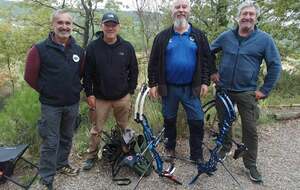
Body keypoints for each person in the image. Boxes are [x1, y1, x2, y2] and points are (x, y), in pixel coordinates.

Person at [210, 1, 282, 183]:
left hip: (247, 92)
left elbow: (275, 65)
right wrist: (212, 71)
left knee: (250, 129)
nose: (247, 17)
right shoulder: (226, 36)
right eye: (244, 14)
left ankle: (250, 164)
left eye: (251, 14)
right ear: (238, 17)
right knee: (224, 122)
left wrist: (265, 89)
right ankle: (225, 147)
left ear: (256, 18)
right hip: (224, 89)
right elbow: (208, 51)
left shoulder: (264, 39)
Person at [24, 9, 84, 190]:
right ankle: (47, 177)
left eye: (68, 23)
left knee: (66, 137)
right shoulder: (39, 49)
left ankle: (62, 164)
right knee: (50, 141)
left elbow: (80, 74)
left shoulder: (78, 50)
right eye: (60, 23)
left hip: (72, 104)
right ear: (53, 25)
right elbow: (30, 77)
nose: (64, 27)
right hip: (50, 106)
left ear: (72, 26)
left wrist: (73, 90)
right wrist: (47, 90)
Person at [148, 0, 212, 164]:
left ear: (189, 10)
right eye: (177, 7)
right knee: (169, 119)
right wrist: (152, 84)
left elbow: (207, 60)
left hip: (192, 88)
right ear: (172, 11)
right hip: (168, 88)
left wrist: (205, 82)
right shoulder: (162, 37)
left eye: (184, 7)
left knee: (197, 121)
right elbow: (153, 62)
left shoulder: (198, 35)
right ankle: (170, 147)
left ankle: (196, 154)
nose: (181, 10)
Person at [82, 12, 138, 170]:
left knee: (125, 127)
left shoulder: (127, 47)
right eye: (107, 24)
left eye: (113, 25)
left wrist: (130, 91)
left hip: (122, 97)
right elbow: (87, 74)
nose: (110, 28)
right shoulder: (93, 48)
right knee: (96, 129)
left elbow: (134, 70)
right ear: (102, 26)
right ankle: (92, 156)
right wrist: (89, 93)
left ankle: (127, 152)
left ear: (118, 27)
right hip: (100, 98)